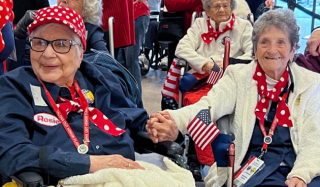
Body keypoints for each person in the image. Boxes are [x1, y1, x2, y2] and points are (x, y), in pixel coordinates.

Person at [147, 9, 320, 187]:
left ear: (293, 50)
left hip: (299, 163)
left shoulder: (310, 83)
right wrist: (175, 120)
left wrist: (301, 174)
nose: (272, 49)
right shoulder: (238, 77)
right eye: (264, 42)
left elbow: (314, 137)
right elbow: (208, 107)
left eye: (281, 42)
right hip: (250, 165)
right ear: (255, 49)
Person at [0, 6, 148, 186]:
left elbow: (134, 120)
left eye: (61, 44)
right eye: (39, 42)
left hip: (127, 178)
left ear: (81, 53)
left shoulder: (97, 79)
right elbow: (13, 153)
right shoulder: (15, 86)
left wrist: (160, 129)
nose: (47, 53)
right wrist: (92, 163)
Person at [9, 0, 108, 71]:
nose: (63, 0)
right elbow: (17, 68)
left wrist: (70, 65)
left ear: (86, 9)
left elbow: (106, 61)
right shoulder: (42, 29)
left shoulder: (90, 30)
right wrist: (18, 36)